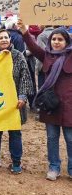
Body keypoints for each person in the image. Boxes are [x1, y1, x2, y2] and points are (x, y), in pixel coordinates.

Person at [18, 19, 72, 181]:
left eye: (60, 39)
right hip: (51, 105)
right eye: (54, 39)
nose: (56, 42)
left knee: (70, 139)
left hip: (70, 105)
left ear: (67, 41)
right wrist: (24, 31)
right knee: (51, 138)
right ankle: (54, 167)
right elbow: (34, 48)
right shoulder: (46, 55)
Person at [0, 29, 34, 174]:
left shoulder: (18, 55)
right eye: (1, 38)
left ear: (10, 40)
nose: (4, 40)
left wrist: (23, 97)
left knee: (15, 133)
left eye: (6, 37)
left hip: (15, 103)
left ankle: (16, 162)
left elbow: (25, 77)